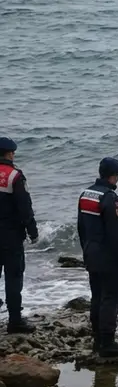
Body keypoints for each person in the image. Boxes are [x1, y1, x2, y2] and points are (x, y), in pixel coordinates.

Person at [78, 157, 118, 358]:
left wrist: (86, 249)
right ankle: (108, 341)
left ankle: (97, 339)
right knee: (111, 298)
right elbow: (116, 234)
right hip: (108, 256)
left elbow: (81, 227)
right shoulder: (111, 198)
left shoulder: (86, 195)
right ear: (114, 176)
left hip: (91, 252)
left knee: (97, 296)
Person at [0, 137, 38, 334]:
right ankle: (15, 321)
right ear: (10, 154)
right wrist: (32, 231)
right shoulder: (14, 176)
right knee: (14, 278)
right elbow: (25, 207)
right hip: (10, 237)